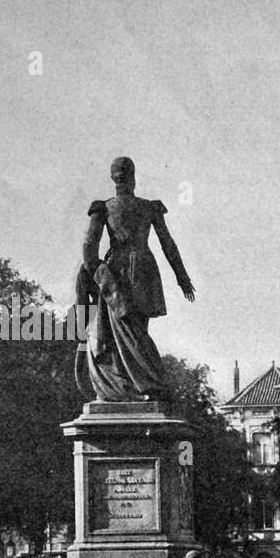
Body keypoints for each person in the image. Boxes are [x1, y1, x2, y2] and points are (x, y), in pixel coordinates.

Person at [75, 155, 195, 403]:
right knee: (136, 331)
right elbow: (168, 245)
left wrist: (103, 279)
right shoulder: (149, 207)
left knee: (123, 332)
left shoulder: (103, 208)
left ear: (113, 179)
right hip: (144, 271)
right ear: (134, 178)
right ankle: (144, 386)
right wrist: (182, 278)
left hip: (116, 273)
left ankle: (139, 385)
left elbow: (89, 251)